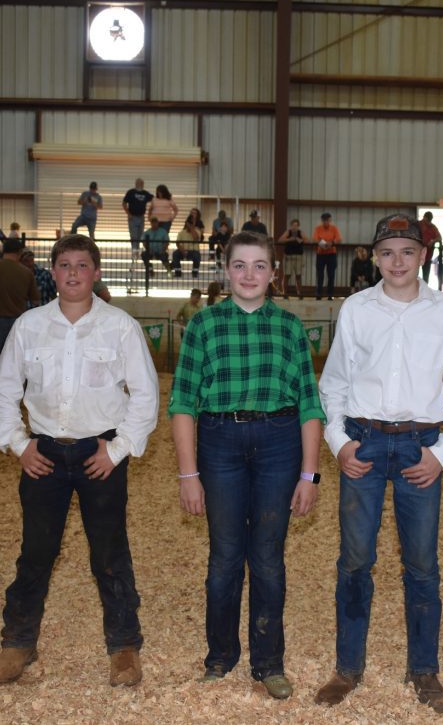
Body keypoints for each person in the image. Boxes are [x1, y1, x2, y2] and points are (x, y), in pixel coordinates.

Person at [315, 214, 443, 714]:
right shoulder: (357, 309)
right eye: (387, 252)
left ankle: (424, 670)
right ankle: (348, 668)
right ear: (374, 257)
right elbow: (334, 383)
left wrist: (442, 453)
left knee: (422, 565)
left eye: (407, 251)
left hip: (419, 448)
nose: (397, 261)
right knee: (355, 560)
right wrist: (339, 442)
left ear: (423, 255)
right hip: (363, 443)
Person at [0, 234, 159, 688]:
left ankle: (124, 647)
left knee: (109, 553)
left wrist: (117, 450)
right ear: (53, 273)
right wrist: (19, 445)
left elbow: (145, 396)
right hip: (43, 453)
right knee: (35, 553)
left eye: (83, 265)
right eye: (65, 265)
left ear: (96, 272)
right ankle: (17, 643)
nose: (74, 274)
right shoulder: (29, 326)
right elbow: (4, 393)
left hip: (99, 453)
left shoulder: (120, 326)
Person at [168, 230, 324, 701]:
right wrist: (188, 473)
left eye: (259, 266)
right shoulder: (203, 325)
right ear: (225, 271)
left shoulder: (291, 327)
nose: (250, 274)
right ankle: (219, 656)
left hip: (279, 443)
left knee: (269, 558)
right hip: (220, 443)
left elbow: (309, 405)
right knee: (225, 556)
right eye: (240, 265)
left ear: (273, 273)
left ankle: (268, 662)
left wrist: (309, 473)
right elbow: (182, 403)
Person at [312, 212, 341, 300]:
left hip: (331, 254)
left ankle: (330, 295)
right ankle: (319, 294)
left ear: (330, 220)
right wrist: (322, 244)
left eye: (327, 220)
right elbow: (315, 239)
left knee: (331, 275)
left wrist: (331, 243)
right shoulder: (318, 229)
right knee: (320, 275)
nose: (326, 222)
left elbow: (339, 239)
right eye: (324, 221)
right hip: (320, 254)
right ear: (322, 220)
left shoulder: (334, 228)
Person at [277, 218, 306, 298]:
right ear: (291, 226)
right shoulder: (288, 232)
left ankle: (299, 293)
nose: (294, 227)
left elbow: (307, 240)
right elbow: (280, 240)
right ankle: (284, 293)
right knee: (287, 275)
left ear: (298, 226)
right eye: (293, 225)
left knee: (298, 275)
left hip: (298, 256)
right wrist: (290, 239)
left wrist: (299, 239)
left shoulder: (301, 233)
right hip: (288, 256)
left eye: (296, 225)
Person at [122, 178, 152, 251]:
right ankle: (134, 251)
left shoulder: (145, 193)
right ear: (136, 184)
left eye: (141, 183)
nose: (140, 184)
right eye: (138, 183)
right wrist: (128, 213)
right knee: (134, 235)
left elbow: (154, 200)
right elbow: (124, 203)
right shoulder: (131, 192)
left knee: (140, 235)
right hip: (133, 217)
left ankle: (137, 250)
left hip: (141, 217)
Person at [140, 218, 170, 284]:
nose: (154, 224)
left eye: (155, 222)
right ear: (151, 223)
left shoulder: (163, 231)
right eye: (153, 223)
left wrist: (163, 250)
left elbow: (167, 242)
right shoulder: (147, 232)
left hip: (160, 251)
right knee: (144, 255)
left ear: (158, 223)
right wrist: (148, 249)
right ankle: (150, 269)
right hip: (150, 251)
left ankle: (168, 269)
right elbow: (144, 241)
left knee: (164, 256)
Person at [417, 212, 442, 281]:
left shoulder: (433, 227)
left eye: (430, 220)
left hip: (428, 255)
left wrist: (433, 241)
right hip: (416, 255)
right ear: (424, 217)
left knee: (426, 276)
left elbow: (439, 238)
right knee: (414, 274)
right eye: (428, 220)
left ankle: (425, 288)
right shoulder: (417, 225)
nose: (429, 222)